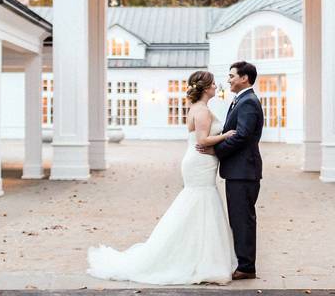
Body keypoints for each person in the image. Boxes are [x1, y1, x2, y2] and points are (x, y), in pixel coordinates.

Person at [87, 70, 237, 285]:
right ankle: (200, 259)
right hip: (201, 161)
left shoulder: (198, 108)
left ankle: (200, 255)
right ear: (205, 88)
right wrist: (226, 135)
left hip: (199, 160)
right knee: (201, 203)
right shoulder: (202, 110)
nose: (216, 87)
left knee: (198, 204)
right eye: (213, 84)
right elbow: (202, 140)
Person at [197, 60, 263, 280]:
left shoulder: (248, 102)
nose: (228, 80)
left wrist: (216, 150)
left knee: (242, 219)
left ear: (244, 78)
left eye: (232, 76)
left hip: (244, 171)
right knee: (238, 218)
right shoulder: (241, 101)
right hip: (239, 171)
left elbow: (242, 135)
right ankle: (243, 262)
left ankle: (246, 267)